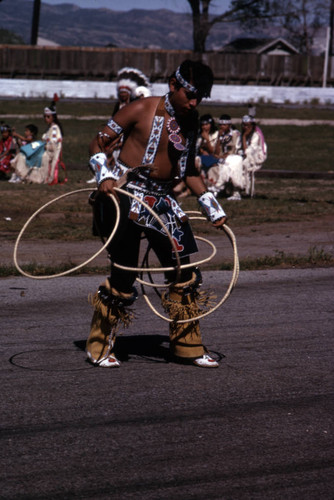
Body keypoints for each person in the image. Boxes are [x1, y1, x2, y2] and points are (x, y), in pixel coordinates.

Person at [86, 59, 227, 369]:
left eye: (199, 98)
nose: (194, 102)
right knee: (124, 274)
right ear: (173, 85)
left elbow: (189, 171)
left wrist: (211, 205)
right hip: (126, 196)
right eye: (190, 94)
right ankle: (99, 346)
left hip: (162, 201)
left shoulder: (191, 121)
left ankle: (187, 347)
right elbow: (99, 140)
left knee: (183, 274)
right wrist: (103, 175)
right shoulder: (139, 108)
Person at [87, 67, 151, 184]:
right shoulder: (118, 106)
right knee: (111, 156)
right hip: (116, 134)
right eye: (120, 94)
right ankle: (107, 176)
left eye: (124, 94)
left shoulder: (132, 107)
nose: (122, 96)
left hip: (127, 136)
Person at [205, 114, 243, 198]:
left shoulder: (235, 134)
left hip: (233, 159)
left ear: (229, 125)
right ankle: (217, 189)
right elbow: (216, 153)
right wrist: (219, 138)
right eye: (220, 125)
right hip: (221, 160)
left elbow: (233, 150)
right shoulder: (219, 134)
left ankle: (234, 192)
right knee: (212, 169)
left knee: (227, 168)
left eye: (224, 125)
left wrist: (222, 157)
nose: (222, 127)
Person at [230, 114, 267, 200]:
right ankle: (234, 191)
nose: (245, 127)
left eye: (247, 125)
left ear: (252, 126)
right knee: (233, 163)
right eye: (243, 125)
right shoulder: (241, 135)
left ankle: (239, 190)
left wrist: (244, 137)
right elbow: (238, 148)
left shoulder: (256, 135)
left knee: (242, 164)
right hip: (244, 157)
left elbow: (248, 151)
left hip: (255, 159)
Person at [41, 94, 64, 184]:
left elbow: (55, 140)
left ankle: (51, 178)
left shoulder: (55, 128)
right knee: (45, 161)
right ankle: (45, 178)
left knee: (53, 164)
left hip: (54, 150)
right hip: (48, 150)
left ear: (53, 117)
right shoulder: (49, 128)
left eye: (48, 117)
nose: (46, 119)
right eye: (45, 117)